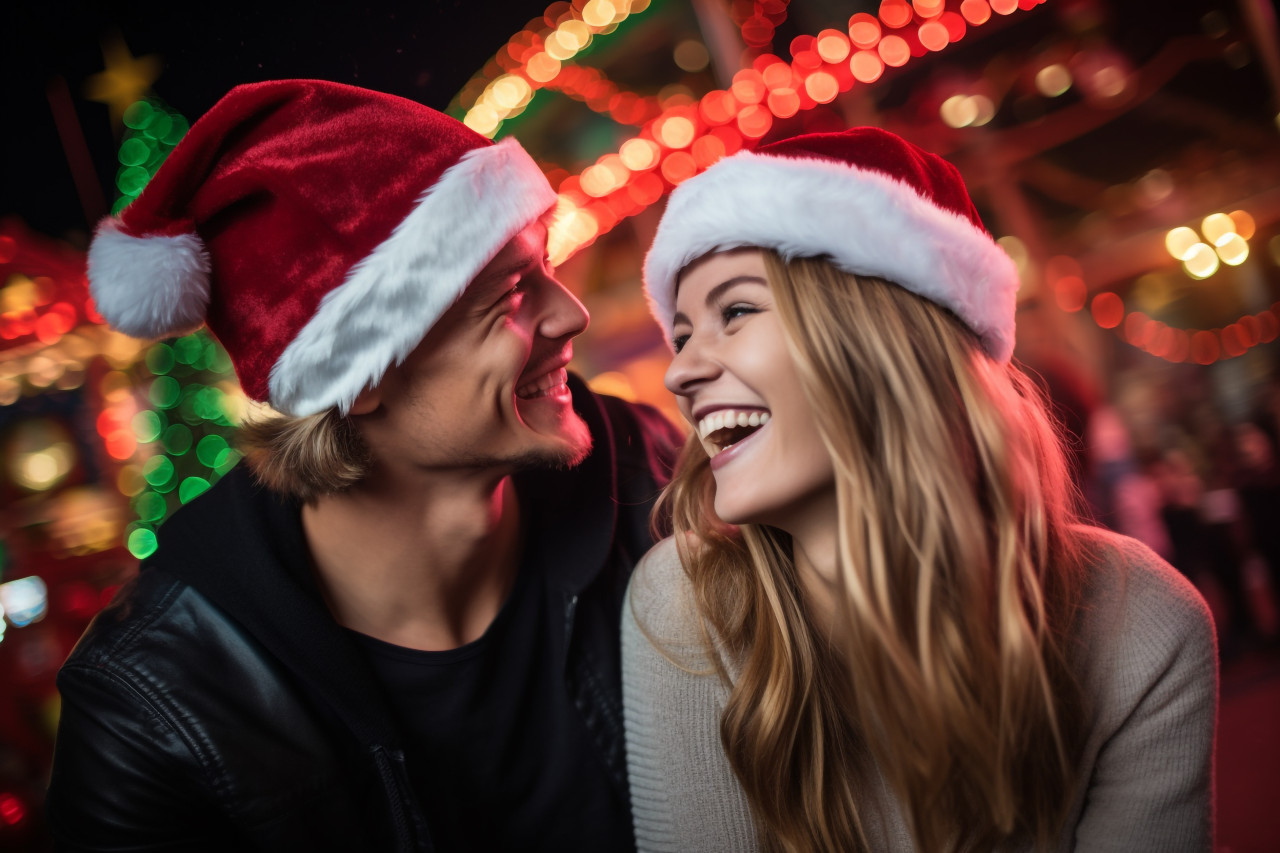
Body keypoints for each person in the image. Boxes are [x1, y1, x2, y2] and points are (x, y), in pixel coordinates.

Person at [47, 80, 680, 852]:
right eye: (510, 295)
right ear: (364, 374)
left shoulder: (646, 471)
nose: (570, 313)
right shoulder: (155, 705)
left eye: (543, 267)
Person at [622, 128, 1218, 853]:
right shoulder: (684, 606)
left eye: (736, 311)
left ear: (881, 336)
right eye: (681, 336)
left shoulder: (1143, 625)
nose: (679, 372)